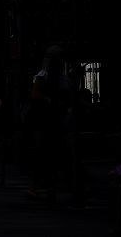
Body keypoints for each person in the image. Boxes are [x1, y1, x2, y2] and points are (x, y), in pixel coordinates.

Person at [27, 45, 72, 207]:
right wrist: (51, 101)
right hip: (44, 121)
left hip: (59, 121)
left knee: (61, 154)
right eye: (58, 58)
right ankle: (37, 186)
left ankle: (64, 186)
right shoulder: (43, 75)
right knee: (43, 154)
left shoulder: (64, 78)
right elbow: (35, 93)